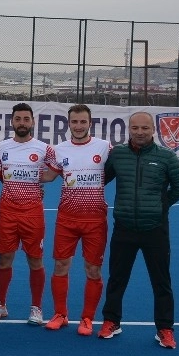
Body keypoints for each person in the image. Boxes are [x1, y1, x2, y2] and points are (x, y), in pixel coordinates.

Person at [99, 111, 179, 348]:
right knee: (117, 278)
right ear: (129, 129)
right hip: (124, 228)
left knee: (161, 281)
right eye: (135, 128)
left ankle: (165, 329)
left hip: (155, 229)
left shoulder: (167, 157)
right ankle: (111, 321)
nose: (140, 132)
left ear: (153, 130)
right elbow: (100, 179)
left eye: (145, 128)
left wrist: (161, 206)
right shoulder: (117, 154)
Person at [0, 102, 57, 324]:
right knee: (4, 259)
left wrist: (40, 180)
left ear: (33, 122)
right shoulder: (1, 147)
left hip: (33, 212)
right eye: (18, 119)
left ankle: (36, 308)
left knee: (35, 259)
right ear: (12, 121)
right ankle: (0, 304)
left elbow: (55, 170)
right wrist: (12, 183)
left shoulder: (44, 149)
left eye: (26, 119)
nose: (22, 123)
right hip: (7, 210)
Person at [44, 104, 111, 335]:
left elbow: (120, 170)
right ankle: (60, 314)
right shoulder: (59, 150)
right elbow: (49, 176)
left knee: (93, 269)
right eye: (75, 122)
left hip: (95, 220)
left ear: (90, 123)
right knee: (61, 265)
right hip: (67, 218)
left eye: (83, 122)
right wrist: (14, 172)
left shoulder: (104, 147)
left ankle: (87, 318)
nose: (79, 126)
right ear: (68, 123)